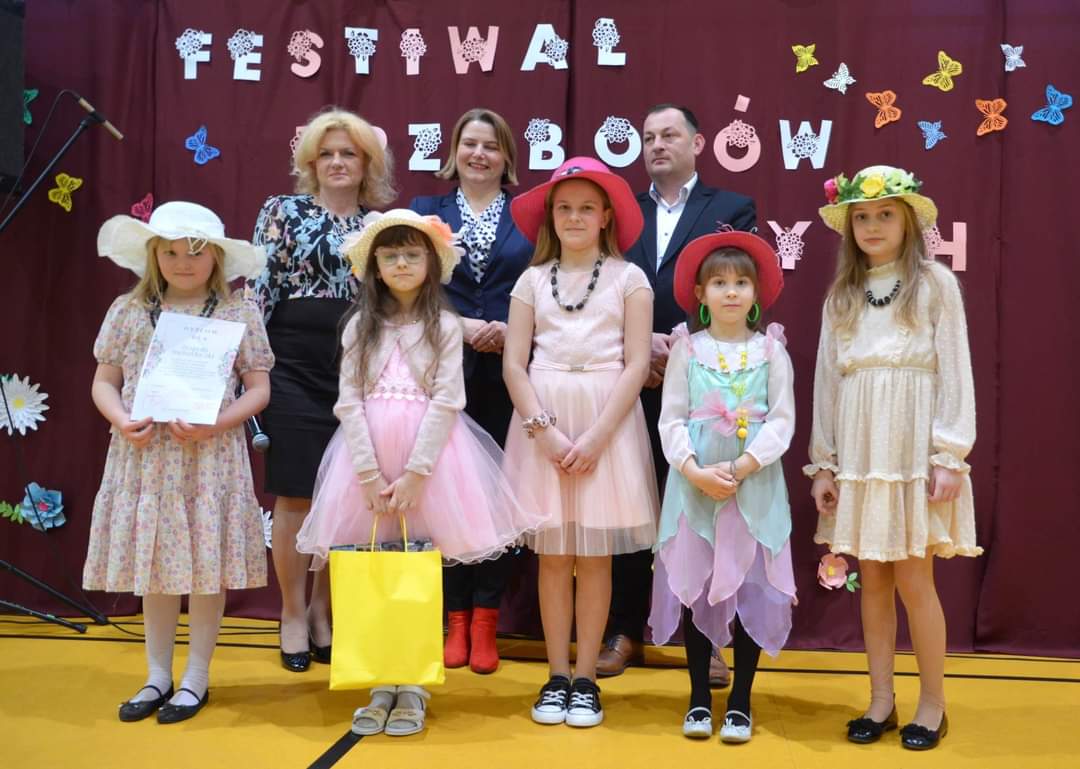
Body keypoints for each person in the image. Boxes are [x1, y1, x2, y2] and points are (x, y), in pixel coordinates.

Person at [296, 209, 544, 737]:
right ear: (374, 266)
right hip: (365, 461)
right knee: (375, 570)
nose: (402, 264)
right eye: (391, 256)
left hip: (431, 464)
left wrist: (415, 473)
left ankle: (412, 685)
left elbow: (448, 400)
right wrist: (367, 473)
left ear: (432, 263)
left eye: (413, 254)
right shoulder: (360, 326)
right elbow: (348, 401)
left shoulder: (445, 326)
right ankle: (379, 682)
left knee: (421, 572)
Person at [807, 166, 980, 751]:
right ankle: (881, 698)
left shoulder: (934, 285)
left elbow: (955, 371)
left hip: (911, 450)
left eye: (884, 215)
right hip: (861, 450)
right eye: (861, 217)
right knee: (873, 580)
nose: (872, 226)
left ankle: (933, 703)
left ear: (908, 222)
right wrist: (825, 463)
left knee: (914, 577)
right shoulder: (842, 297)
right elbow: (826, 383)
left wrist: (949, 454)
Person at [84, 201, 273, 723]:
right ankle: (156, 675)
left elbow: (259, 389)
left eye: (194, 252)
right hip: (146, 456)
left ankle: (196, 677)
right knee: (156, 569)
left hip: (209, 457)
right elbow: (104, 382)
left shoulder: (237, 311)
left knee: (206, 567)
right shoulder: (128, 310)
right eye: (169, 252)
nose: (182, 263)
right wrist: (122, 418)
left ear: (215, 257)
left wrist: (218, 422)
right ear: (153, 256)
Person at [503, 157, 658, 728]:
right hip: (542, 422)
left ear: (605, 216)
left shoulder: (629, 279)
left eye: (586, 208)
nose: (574, 217)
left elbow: (637, 363)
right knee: (553, 557)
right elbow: (514, 365)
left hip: (606, 424)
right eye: (564, 207)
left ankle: (587, 678)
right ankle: (555, 676)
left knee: (594, 558)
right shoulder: (530, 281)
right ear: (551, 215)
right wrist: (543, 432)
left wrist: (595, 437)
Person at [605, 104, 756, 683]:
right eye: (648, 137)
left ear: (697, 142)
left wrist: (688, 347)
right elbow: (606, 286)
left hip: (706, 385)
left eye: (669, 134)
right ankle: (624, 630)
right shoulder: (624, 211)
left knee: (703, 509)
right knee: (627, 506)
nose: (656, 144)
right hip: (631, 378)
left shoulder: (731, 207)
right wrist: (639, 347)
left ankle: (709, 637)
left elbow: (735, 284)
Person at [248, 107, 396, 672]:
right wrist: (251, 367)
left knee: (347, 494)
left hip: (357, 368)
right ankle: (290, 612)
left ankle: (321, 610)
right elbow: (259, 291)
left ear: (366, 163)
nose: (337, 162)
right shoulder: (281, 211)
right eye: (326, 153)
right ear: (311, 162)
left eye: (348, 153)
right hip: (289, 365)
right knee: (295, 494)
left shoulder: (381, 224)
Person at [649, 230, 795, 744]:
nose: (731, 292)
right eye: (719, 283)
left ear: (756, 292)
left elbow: (782, 420)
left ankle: (740, 701)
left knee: (749, 584)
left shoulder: (770, 350)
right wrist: (693, 470)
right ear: (701, 293)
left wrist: (745, 465)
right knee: (697, 587)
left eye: (740, 283)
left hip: (753, 487)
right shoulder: (688, 349)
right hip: (695, 488)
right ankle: (697, 697)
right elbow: (671, 418)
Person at [409, 108, 533, 674]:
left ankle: (486, 620)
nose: (479, 154)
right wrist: (458, 325)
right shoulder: (424, 211)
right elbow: (407, 284)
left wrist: (513, 329)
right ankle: (453, 620)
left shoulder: (529, 217)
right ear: (453, 152)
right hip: (441, 365)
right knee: (446, 491)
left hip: (512, 371)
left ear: (507, 157)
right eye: (470, 144)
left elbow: (543, 284)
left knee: (498, 493)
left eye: (491, 146)